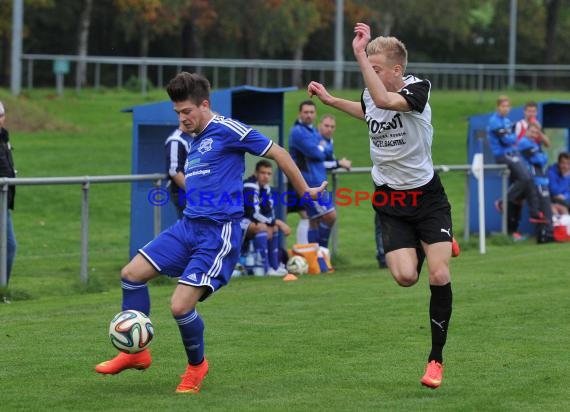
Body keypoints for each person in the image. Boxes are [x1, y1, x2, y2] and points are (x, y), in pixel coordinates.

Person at [94, 72, 326, 393]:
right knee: (131, 274)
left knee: (180, 306)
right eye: (177, 113)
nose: (182, 118)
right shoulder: (195, 139)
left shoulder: (229, 129)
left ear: (204, 104)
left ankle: (196, 366)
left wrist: (306, 192)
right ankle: (135, 353)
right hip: (188, 226)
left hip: (218, 233)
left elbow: (279, 153)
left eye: (187, 111)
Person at [308, 22, 455, 389]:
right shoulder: (371, 93)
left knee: (438, 276)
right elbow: (367, 107)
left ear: (396, 70)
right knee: (406, 277)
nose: (369, 75)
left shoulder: (418, 89)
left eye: (376, 69)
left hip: (426, 198)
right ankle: (430, 245)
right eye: (367, 68)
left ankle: (436, 359)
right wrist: (330, 102)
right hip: (390, 199)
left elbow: (387, 102)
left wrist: (358, 53)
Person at [487, 95, 548, 240]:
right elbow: (508, 139)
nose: (505, 109)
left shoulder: (508, 121)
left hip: (513, 154)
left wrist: (514, 137)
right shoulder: (496, 121)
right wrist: (515, 137)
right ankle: (503, 203)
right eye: (503, 106)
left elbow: (544, 145)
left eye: (507, 106)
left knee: (527, 183)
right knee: (525, 179)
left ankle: (532, 214)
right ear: (498, 107)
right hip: (503, 155)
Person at [288, 101, 337, 249]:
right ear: (300, 114)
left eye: (311, 112)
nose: (309, 115)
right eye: (306, 112)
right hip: (309, 184)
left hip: (318, 182)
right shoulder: (298, 131)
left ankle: (315, 258)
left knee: (314, 220)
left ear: (315, 114)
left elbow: (326, 152)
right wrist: (322, 148)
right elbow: (316, 153)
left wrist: (323, 147)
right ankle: (323, 251)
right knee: (330, 216)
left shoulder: (312, 131)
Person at [241, 159, 291, 276]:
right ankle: (265, 267)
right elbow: (253, 213)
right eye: (263, 173)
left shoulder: (266, 188)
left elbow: (269, 211)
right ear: (256, 173)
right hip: (237, 222)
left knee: (272, 228)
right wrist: (277, 222)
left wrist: (272, 224)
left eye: (269, 174)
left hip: (251, 221)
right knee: (263, 227)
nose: (266, 177)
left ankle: (274, 266)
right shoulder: (249, 186)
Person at [517, 123, 554, 243]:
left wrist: (542, 156)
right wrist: (543, 156)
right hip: (535, 180)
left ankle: (547, 234)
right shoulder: (524, 143)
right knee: (543, 207)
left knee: (545, 208)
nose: (534, 135)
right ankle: (546, 234)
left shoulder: (534, 144)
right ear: (527, 131)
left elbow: (543, 158)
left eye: (536, 133)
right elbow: (539, 160)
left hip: (541, 179)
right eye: (532, 132)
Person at [0, 101, 17, 302]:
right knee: (10, 246)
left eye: (2, 115)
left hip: (4, 201)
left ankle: (2, 290)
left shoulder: (4, 139)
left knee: (10, 247)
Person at [165, 128, 191, 218]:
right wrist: (193, 191)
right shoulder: (176, 139)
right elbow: (174, 171)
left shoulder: (194, 137)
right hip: (183, 192)